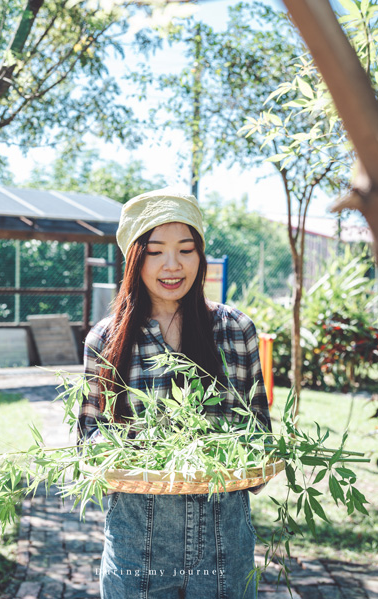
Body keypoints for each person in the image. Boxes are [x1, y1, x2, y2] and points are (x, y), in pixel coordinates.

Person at [78, 189, 272, 599]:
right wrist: (127, 450)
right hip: (136, 543)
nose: (172, 265)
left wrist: (254, 459)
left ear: (200, 256)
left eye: (186, 249)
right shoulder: (107, 339)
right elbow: (88, 443)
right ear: (134, 258)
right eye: (155, 251)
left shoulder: (235, 330)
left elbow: (258, 435)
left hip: (224, 540)